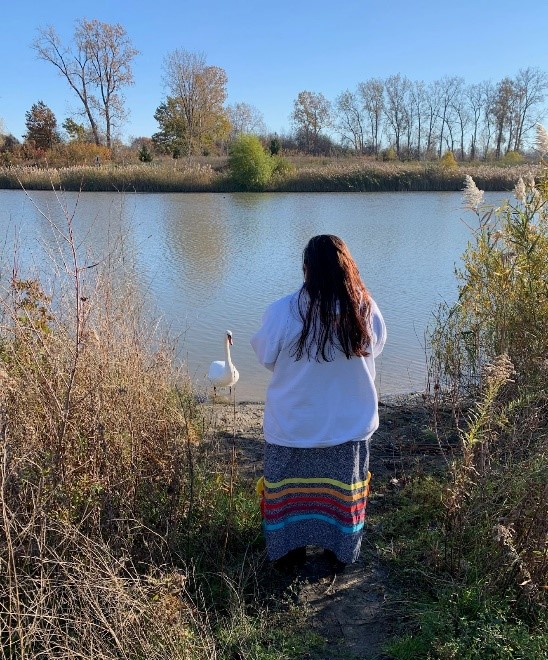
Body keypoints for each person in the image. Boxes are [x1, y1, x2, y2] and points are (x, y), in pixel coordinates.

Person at [251, 234, 386, 573]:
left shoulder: (282, 310)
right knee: (342, 497)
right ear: (347, 267)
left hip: (293, 426)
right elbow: (377, 347)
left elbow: (267, 357)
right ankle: (340, 555)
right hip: (349, 427)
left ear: (306, 269)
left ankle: (288, 555)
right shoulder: (365, 308)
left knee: (289, 497)